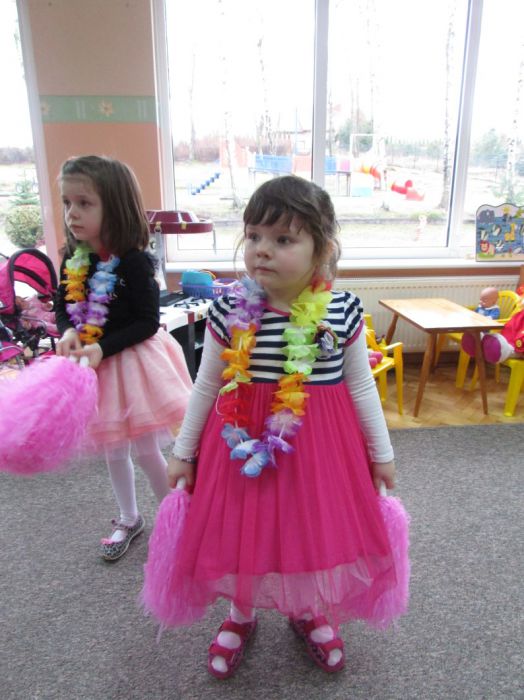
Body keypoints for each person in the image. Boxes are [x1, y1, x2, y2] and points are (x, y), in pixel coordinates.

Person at [161, 175, 401, 678]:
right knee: (242, 529)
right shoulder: (229, 309)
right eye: (253, 236)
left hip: (318, 450)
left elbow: (361, 387)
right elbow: (205, 385)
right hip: (240, 446)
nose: (262, 250)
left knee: (308, 528)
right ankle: (241, 611)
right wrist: (183, 451)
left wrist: (381, 454)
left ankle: (307, 607)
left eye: (283, 239)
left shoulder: (342, 309)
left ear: (322, 249)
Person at [54, 155, 192, 561]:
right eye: (67, 203)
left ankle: (176, 519)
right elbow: (62, 304)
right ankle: (129, 517)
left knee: (147, 450)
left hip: (133, 364)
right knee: (114, 451)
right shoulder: (73, 256)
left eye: (84, 203)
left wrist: (102, 347)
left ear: (113, 206)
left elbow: (147, 321)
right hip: (94, 367)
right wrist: (68, 331)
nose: (72, 213)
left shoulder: (133, 260)